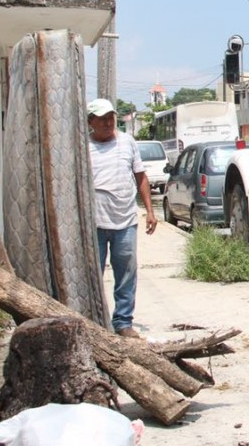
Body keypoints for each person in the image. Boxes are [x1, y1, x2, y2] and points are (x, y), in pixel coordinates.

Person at [87, 98, 157, 338]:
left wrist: (150, 211)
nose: (108, 123)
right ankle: (95, 321)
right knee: (93, 274)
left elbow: (141, 177)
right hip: (94, 223)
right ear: (90, 122)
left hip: (125, 221)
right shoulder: (83, 147)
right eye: (102, 119)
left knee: (126, 274)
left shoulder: (127, 142)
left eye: (111, 118)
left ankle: (123, 322)